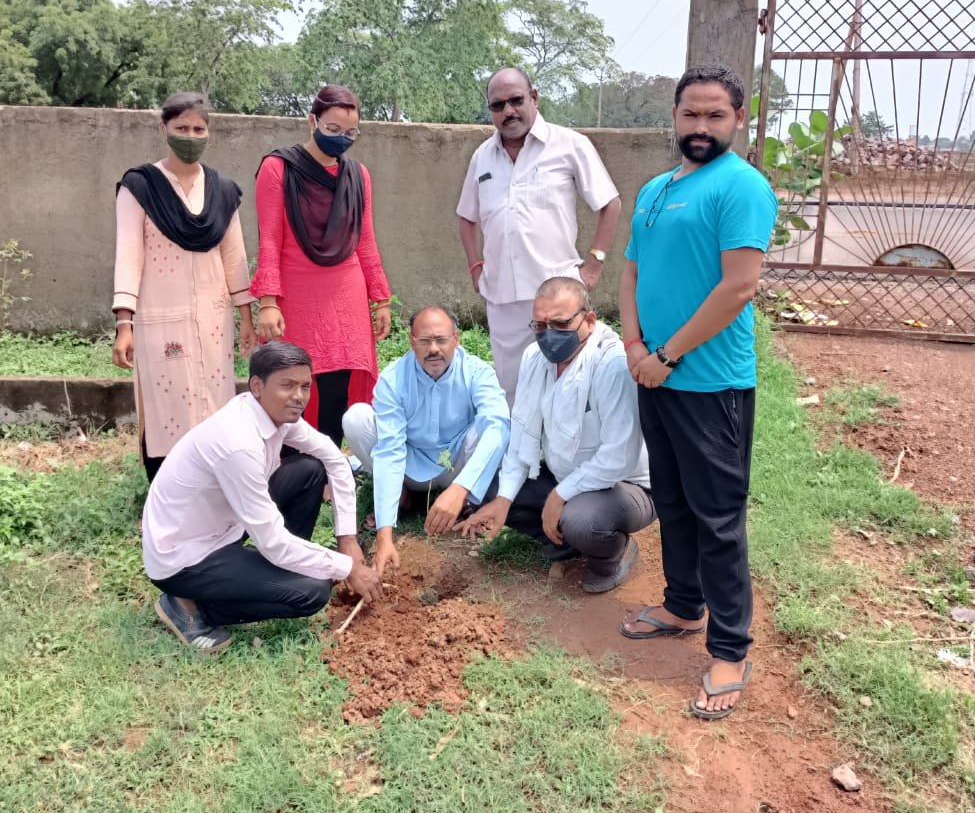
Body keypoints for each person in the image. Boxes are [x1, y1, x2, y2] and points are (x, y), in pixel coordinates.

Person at [617, 65, 778, 721]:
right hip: (654, 376)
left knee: (717, 518)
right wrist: (635, 348)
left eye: (716, 115)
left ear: (738, 118)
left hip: (711, 386)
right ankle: (684, 605)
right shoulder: (655, 190)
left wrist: (667, 355)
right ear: (675, 117)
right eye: (691, 114)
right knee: (674, 503)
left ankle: (730, 651)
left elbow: (739, 285)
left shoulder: (741, 186)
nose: (702, 126)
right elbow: (631, 273)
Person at [142, 341, 383, 652]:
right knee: (312, 592)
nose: (299, 396)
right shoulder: (238, 443)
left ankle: (279, 571)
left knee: (309, 470)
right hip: (185, 556)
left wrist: (347, 540)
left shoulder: (272, 414)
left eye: (305, 386)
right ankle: (190, 607)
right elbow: (273, 543)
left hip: (224, 526)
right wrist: (348, 567)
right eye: (287, 385)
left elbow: (334, 459)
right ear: (257, 386)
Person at [456, 277, 654, 594]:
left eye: (561, 324)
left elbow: (619, 457)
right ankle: (567, 546)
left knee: (582, 521)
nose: (549, 335)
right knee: (492, 486)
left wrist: (559, 495)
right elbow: (522, 432)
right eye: (540, 326)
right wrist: (504, 501)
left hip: (626, 486)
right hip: (565, 477)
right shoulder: (535, 358)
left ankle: (613, 554)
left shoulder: (612, 364)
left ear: (590, 320)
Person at [112, 92, 256, 482]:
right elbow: (128, 255)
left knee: (214, 402)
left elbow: (235, 257)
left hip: (213, 319)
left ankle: (211, 490)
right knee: (165, 406)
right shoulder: (140, 187)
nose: (190, 136)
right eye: (181, 128)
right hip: (159, 316)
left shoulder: (223, 190)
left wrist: (246, 317)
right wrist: (124, 324)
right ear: (164, 129)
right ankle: (164, 493)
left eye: (198, 129)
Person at [457, 67, 622, 405]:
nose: (508, 111)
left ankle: (564, 443)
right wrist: (475, 266)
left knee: (569, 384)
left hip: (558, 296)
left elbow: (610, 204)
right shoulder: (482, 156)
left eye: (516, 100)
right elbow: (466, 217)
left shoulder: (569, 145)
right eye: (498, 105)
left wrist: (594, 265)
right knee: (512, 388)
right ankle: (522, 442)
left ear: (534, 97)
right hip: (503, 297)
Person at [251, 85, 393, 444]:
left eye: (351, 132)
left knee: (338, 381)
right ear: (311, 121)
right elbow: (270, 238)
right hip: (297, 293)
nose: (341, 138)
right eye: (333, 128)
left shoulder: (358, 175)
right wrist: (268, 302)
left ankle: (327, 460)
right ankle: (290, 459)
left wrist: (381, 299)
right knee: (292, 378)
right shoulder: (277, 168)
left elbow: (365, 239)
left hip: (347, 294)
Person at [342, 306, 510, 576]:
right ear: (412, 341)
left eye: (441, 340)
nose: (434, 349)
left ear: (456, 339)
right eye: (425, 341)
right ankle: (400, 496)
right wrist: (385, 535)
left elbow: (498, 428)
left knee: (494, 425)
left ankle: (466, 502)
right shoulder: (394, 378)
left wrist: (460, 489)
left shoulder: (477, 372)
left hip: (457, 467)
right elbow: (390, 451)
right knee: (356, 418)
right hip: (409, 467)